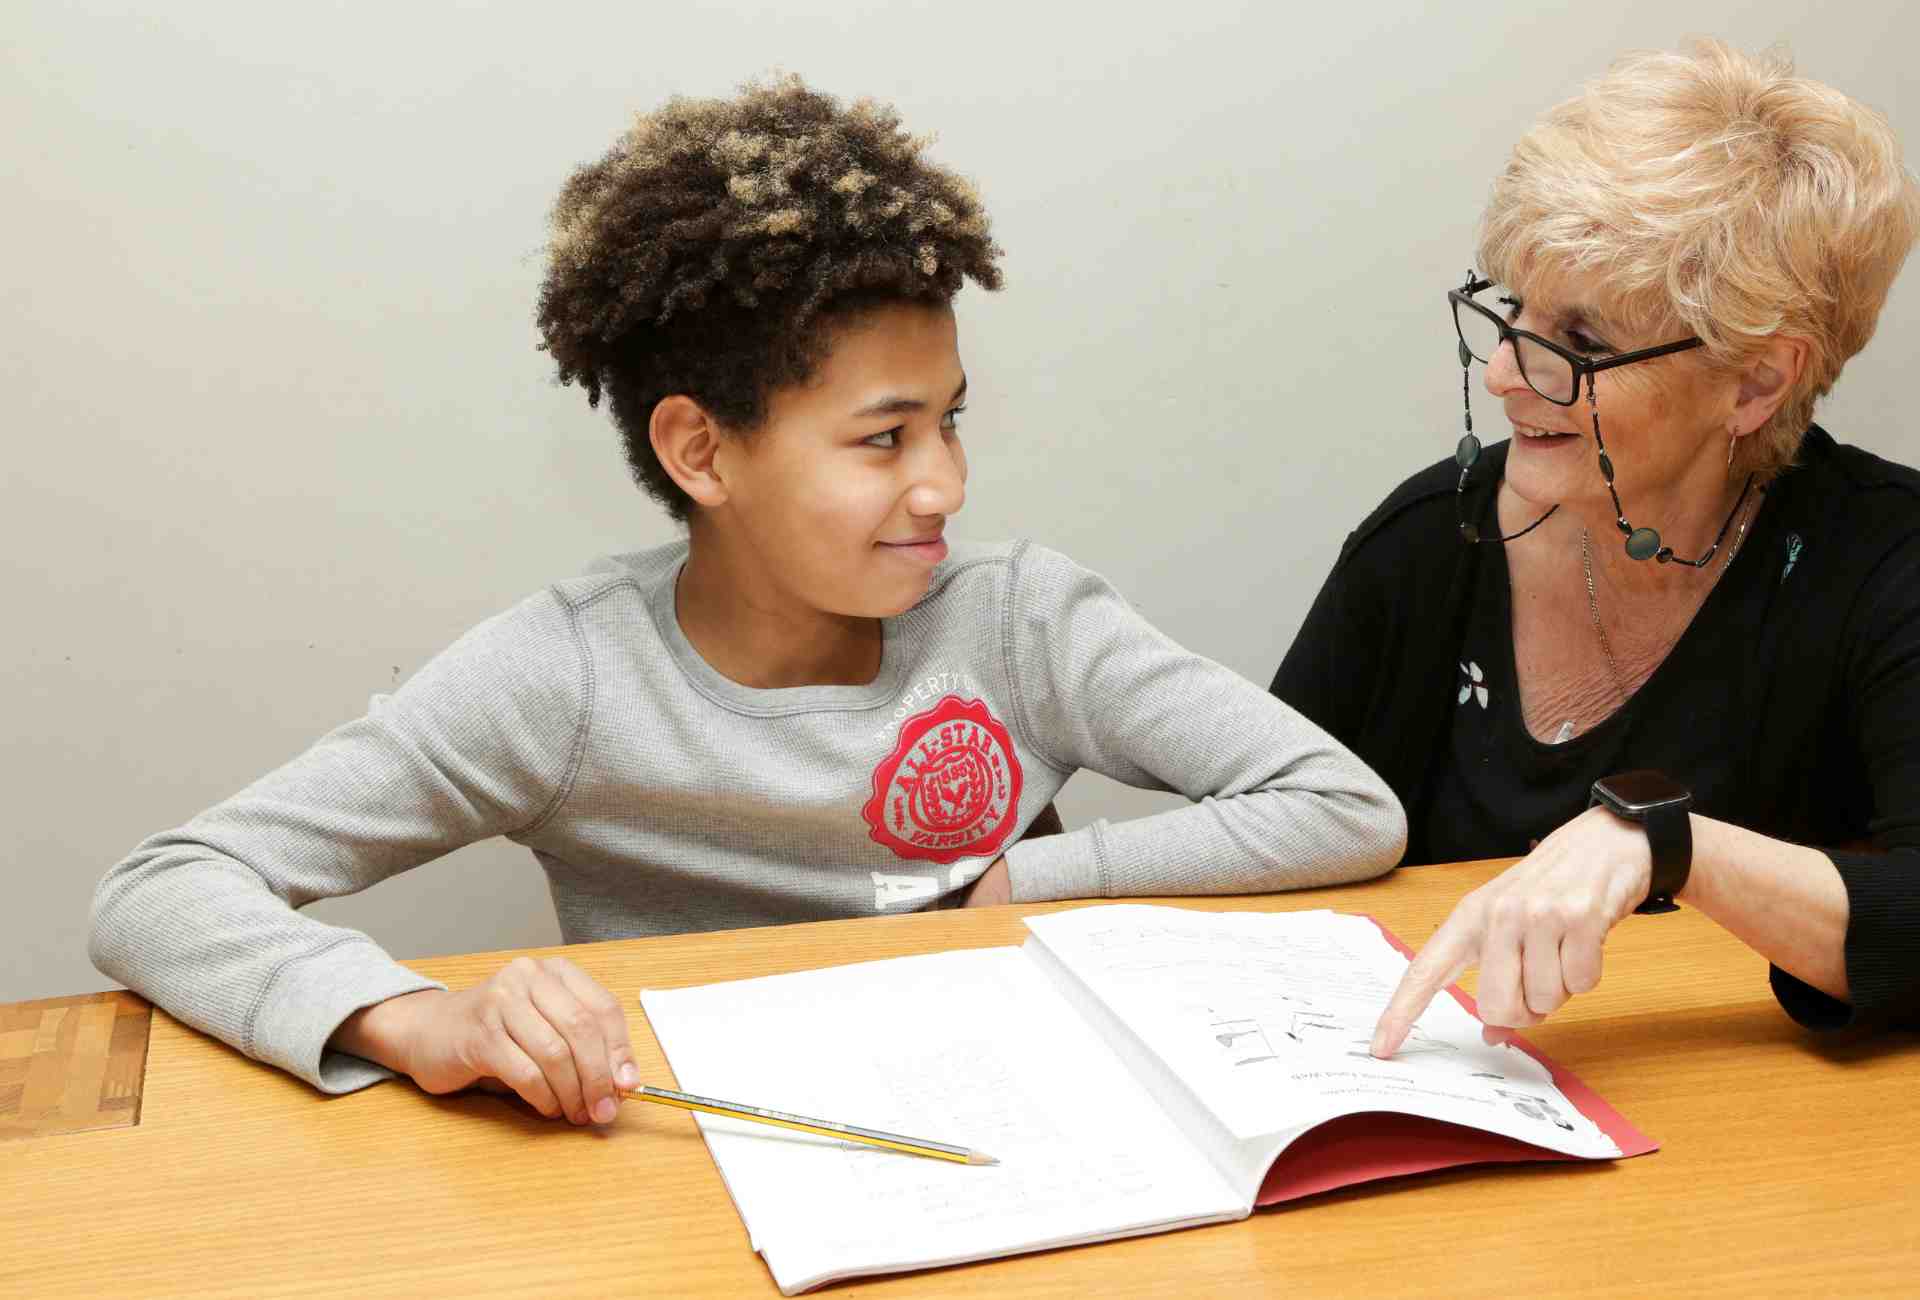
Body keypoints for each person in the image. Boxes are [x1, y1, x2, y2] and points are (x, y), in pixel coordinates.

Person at [91, 76, 1406, 1130]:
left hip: (1025, 1136)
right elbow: (163, 888)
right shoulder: (560, 678)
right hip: (694, 1164)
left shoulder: (1021, 620)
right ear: (701, 452)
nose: (945, 483)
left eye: (951, 422)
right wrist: (410, 1018)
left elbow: (1345, 810)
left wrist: (1018, 883)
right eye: (883, 440)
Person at [1266, 41, 1920, 1050]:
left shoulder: (1887, 565)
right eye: (1509, 309)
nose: (1506, 374)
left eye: (1581, 343)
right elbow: (1268, 835)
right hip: (1451, 1098)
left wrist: (1670, 845)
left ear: (1755, 383)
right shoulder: (1432, 540)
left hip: (1771, 1168)